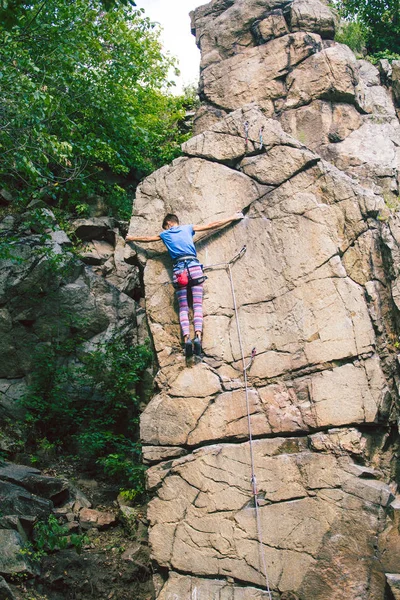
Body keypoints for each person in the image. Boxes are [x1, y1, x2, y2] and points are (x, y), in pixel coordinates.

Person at [126, 212, 244, 358]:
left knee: (183, 307)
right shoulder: (188, 228)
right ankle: (198, 337)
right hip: (194, 268)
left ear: (168, 223)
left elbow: (147, 239)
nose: (165, 230)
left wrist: (131, 238)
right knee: (197, 305)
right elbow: (211, 225)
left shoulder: (165, 235)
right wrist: (233, 217)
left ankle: (187, 338)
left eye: (165, 227)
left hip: (179, 271)